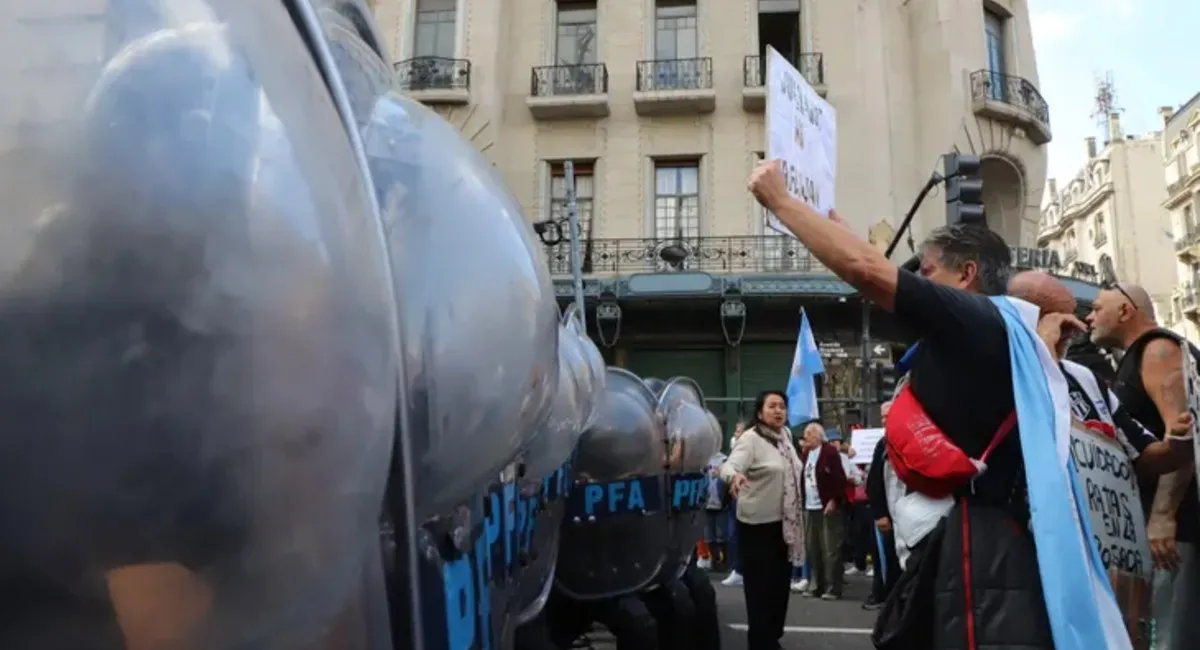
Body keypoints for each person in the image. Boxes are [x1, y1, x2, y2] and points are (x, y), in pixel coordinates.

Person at [749, 160, 1054, 648]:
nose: (920, 282)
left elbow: (867, 271)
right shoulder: (986, 327)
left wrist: (781, 203)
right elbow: (871, 267)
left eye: (930, 272)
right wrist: (839, 232)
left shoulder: (975, 317)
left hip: (966, 545)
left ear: (967, 274)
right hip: (952, 539)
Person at [1086, 282, 1200, 650]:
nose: (1089, 317)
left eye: (1097, 308)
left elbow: (1185, 435)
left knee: (1171, 638)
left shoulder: (1157, 350)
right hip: (1166, 530)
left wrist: (1164, 515)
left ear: (1125, 311)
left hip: (1178, 530)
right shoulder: (1140, 357)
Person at [721, 393, 806, 650]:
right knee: (760, 592)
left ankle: (772, 638)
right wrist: (734, 477)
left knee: (780, 590)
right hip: (757, 527)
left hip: (785, 526)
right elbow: (727, 466)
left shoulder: (786, 438)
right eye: (772, 406)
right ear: (760, 413)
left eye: (782, 406)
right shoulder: (751, 439)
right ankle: (760, 643)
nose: (778, 411)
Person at [799, 422, 847, 600]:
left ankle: (832, 587)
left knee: (830, 549)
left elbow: (838, 478)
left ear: (818, 436)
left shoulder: (830, 453)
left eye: (809, 434)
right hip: (810, 506)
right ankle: (815, 585)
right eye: (805, 434)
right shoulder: (806, 454)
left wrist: (834, 499)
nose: (806, 437)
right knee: (813, 548)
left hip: (826, 505)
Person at [865, 400, 900, 611]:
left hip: (908, 517)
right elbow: (874, 483)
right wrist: (880, 514)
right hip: (888, 515)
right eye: (883, 417)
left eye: (889, 415)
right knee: (885, 559)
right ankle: (884, 597)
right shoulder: (883, 445)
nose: (885, 420)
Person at [722, 421, 748, 587]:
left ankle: (740, 570)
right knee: (732, 536)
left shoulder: (747, 452)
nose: (735, 434)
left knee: (739, 536)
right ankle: (736, 569)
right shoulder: (734, 454)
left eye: (739, 431)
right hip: (732, 501)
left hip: (744, 500)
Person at [699, 448, 729, 570]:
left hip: (721, 504)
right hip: (707, 503)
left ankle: (725, 562)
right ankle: (714, 561)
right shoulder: (703, 459)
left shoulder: (725, 460)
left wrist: (721, 474)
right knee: (709, 536)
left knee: (722, 535)